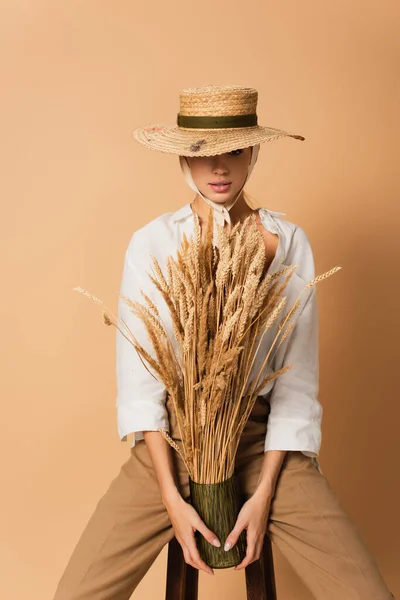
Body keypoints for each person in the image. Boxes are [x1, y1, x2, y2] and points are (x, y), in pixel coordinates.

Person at [52, 85, 395, 599]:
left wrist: (265, 493)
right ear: (181, 161)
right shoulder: (152, 244)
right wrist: (170, 495)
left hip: (260, 444)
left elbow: (295, 381)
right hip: (169, 448)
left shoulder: (288, 242)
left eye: (233, 150)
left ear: (253, 152)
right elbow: (141, 386)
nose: (219, 167)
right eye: (202, 153)